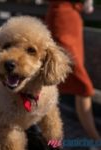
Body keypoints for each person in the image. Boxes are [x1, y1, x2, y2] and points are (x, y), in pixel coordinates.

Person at [45, 0, 101, 140]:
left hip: (72, 18)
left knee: (78, 85)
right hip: (61, 19)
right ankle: (95, 139)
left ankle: (92, 139)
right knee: (83, 84)